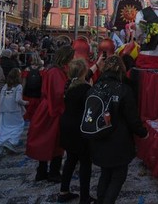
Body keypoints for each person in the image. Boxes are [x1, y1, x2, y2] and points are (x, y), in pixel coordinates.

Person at [88, 56, 148, 204]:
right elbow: (132, 118)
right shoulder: (124, 90)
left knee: (105, 174)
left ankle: (100, 201)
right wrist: (143, 133)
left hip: (99, 139)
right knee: (117, 178)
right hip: (119, 142)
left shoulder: (95, 87)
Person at [26, 45, 75, 183]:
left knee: (48, 141)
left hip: (48, 109)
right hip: (53, 110)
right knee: (54, 142)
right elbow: (59, 93)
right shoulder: (56, 72)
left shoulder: (54, 70)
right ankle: (52, 172)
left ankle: (43, 171)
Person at [58, 59, 96, 204]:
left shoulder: (69, 85)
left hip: (67, 125)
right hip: (79, 128)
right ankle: (84, 197)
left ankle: (64, 191)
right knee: (85, 163)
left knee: (71, 159)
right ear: (83, 72)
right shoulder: (85, 89)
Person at [0, 68, 29, 155]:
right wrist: (25, 102)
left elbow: (0, 98)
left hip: (4, 110)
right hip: (14, 110)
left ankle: (2, 142)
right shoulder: (18, 86)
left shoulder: (5, 86)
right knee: (18, 126)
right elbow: (18, 99)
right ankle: (11, 142)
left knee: (4, 128)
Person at [22, 52, 45, 121]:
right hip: (38, 94)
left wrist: (21, 92)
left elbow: (24, 82)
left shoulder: (27, 69)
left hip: (28, 94)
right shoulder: (43, 70)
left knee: (27, 112)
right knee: (37, 112)